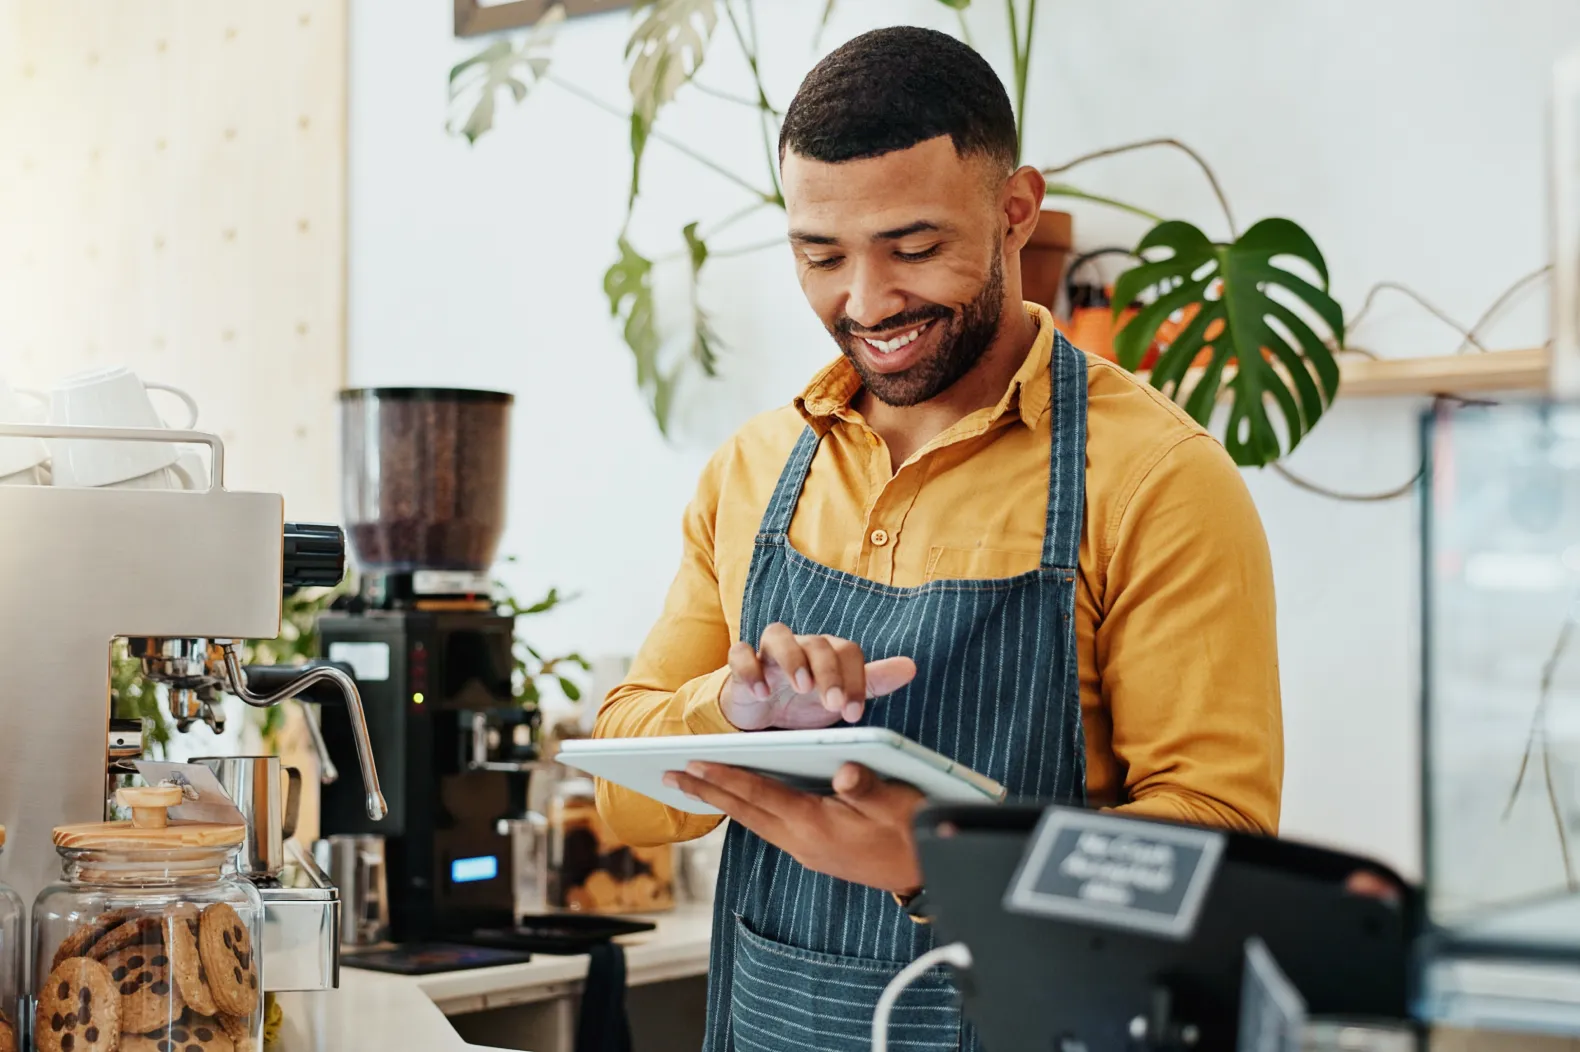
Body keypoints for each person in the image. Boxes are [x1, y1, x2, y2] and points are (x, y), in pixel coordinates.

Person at [594, 24, 1282, 1052]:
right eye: (820, 256)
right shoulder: (752, 468)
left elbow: (1218, 844)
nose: (867, 303)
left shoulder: (1157, 480)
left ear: (1016, 212)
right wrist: (732, 713)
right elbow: (625, 800)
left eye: (913, 249)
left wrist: (945, 863)